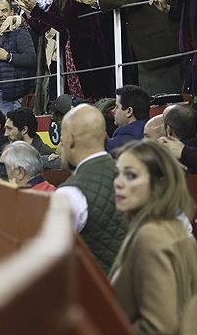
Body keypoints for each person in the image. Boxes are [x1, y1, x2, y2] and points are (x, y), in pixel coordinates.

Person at [110, 140, 197, 334]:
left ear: (160, 184)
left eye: (131, 175)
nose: (118, 182)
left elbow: (158, 327)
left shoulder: (150, 236)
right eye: (118, 174)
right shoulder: (173, 226)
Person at [57, 104, 127, 271]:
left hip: (98, 293)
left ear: (70, 139)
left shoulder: (69, 193)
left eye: (61, 138)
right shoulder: (133, 175)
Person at [107, 85, 150, 153]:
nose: (113, 111)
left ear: (129, 111)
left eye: (117, 107)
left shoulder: (115, 146)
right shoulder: (154, 136)